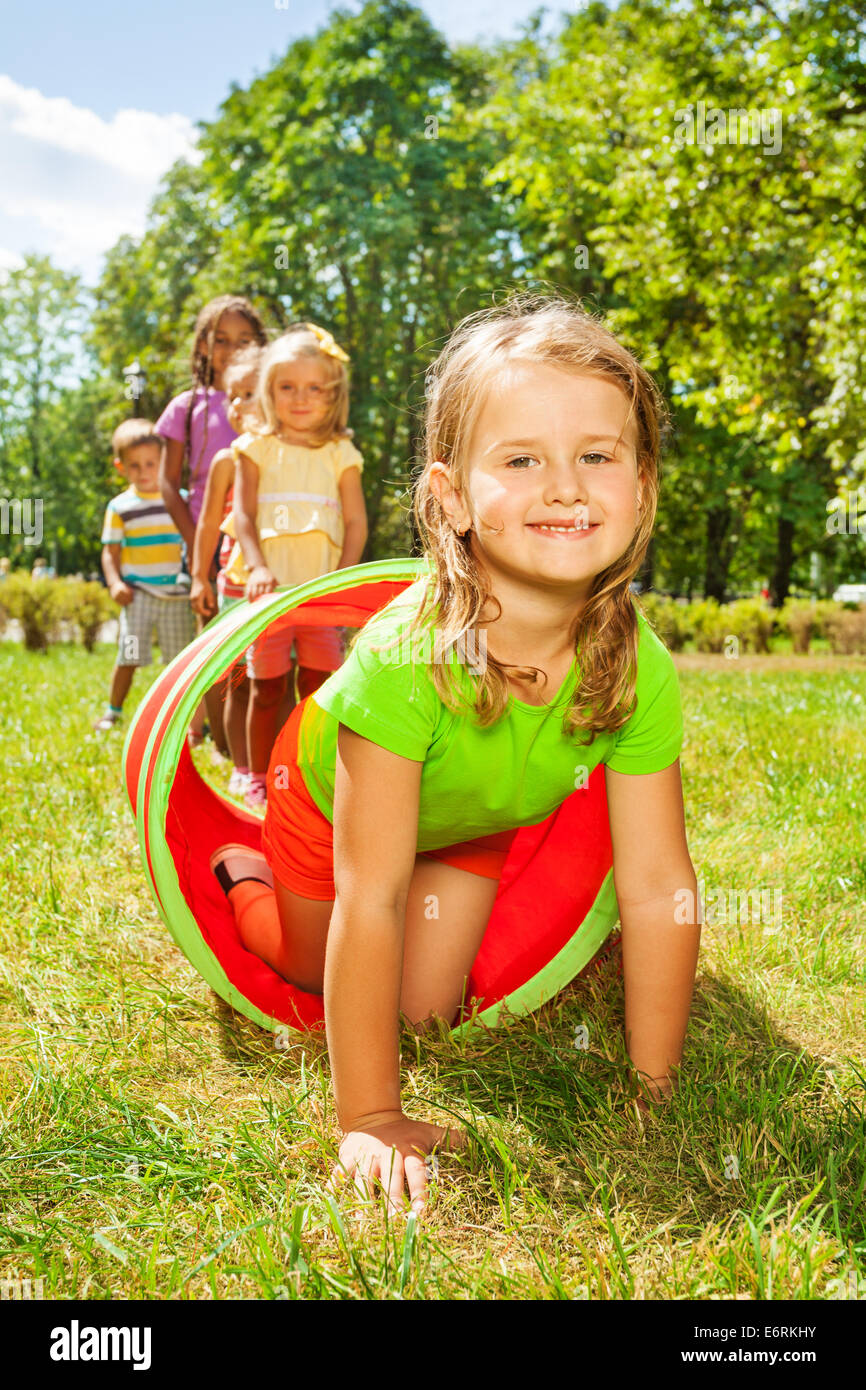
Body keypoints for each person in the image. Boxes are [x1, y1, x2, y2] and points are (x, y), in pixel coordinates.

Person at [210, 295, 701, 1217]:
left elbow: (656, 885)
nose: (566, 486)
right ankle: (244, 876)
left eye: (598, 456)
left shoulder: (641, 668)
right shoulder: (407, 661)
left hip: (472, 822)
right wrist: (371, 1114)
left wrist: (655, 1086)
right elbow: (376, 896)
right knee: (315, 966)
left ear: (641, 484)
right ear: (451, 498)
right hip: (327, 805)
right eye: (521, 460)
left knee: (424, 1014)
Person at [218, 322, 368, 810]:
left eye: (313, 389)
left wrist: (344, 582)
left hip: (321, 595)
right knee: (266, 688)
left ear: (333, 396)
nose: (300, 399)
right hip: (271, 595)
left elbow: (355, 523)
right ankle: (257, 775)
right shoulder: (255, 449)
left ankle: (313, 777)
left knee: (321, 690)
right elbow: (241, 515)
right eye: (287, 388)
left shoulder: (340, 453)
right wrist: (257, 567)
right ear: (268, 390)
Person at [156, 294, 268, 750]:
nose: (232, 348)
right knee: (218, 648)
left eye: (244, 339)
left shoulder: (270, 401)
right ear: (203, 346)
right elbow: (168, 483)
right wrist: (196, 546)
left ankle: (250, 742)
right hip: (207, 546)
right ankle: (223, 745)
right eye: (221, 339)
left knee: (261, 646)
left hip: (258, 543)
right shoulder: (187, 408)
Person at [190, 343, 263, 798]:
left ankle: (273, 760)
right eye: (232, 396)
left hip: (278, 585)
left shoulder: (285, 456)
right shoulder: (225, 461)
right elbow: (206, 524)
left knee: (274, 678)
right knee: (238, 677)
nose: (236, 406)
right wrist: (199, 575)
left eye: (249, 394)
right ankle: (240, 764)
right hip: (234, 585)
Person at [94, 419, 195, 731]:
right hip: (139, 594)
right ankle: (113, 710)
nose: (144, 471)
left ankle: (187, 720)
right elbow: (110, 552)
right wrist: (114, 583)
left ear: (164, 460)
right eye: (134, 465)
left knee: (183, 662)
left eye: (151, 463)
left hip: (179, 596)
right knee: (130, 654)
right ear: (120, 466)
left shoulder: (179, 500)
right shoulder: (120, 506)